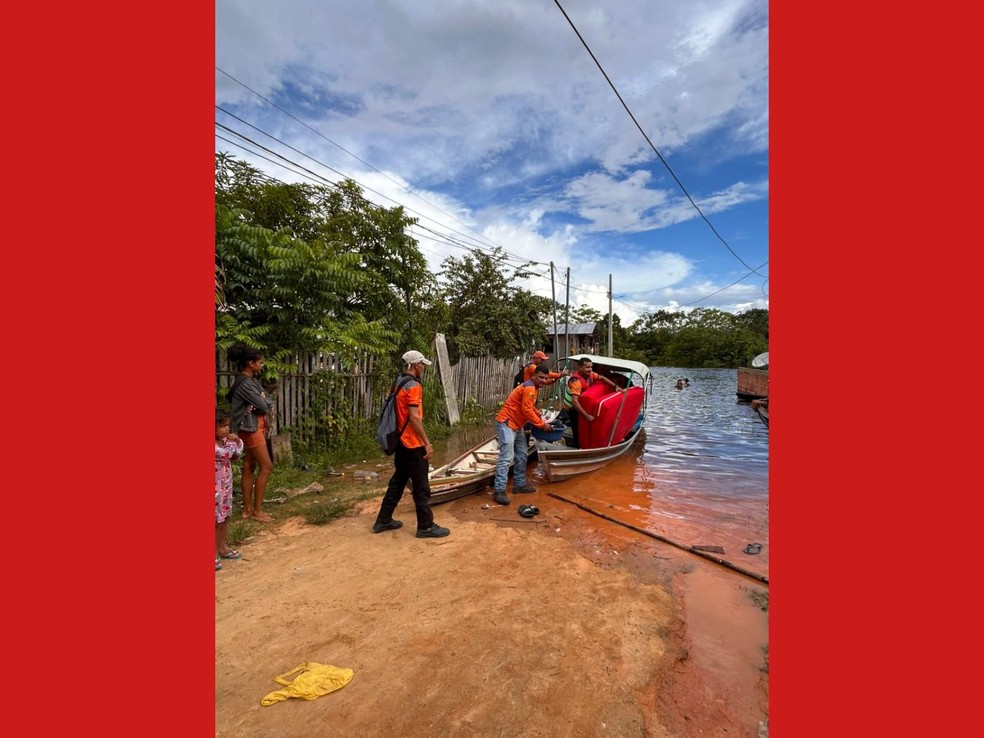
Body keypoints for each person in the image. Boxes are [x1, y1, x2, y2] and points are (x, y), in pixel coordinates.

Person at [372, 350, 450, 538]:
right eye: (422, 364)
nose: (423, 367)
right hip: (413, 444)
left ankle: (383, 520)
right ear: (415, 365)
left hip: (399, 442)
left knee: (398, 481)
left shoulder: (397, 383)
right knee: (421, 486)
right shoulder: (413, 386)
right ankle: (426, 526)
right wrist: (427, 443)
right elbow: (414, 418)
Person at [492, 363, 555, 505]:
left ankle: (519, 485)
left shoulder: (534, 388)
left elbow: (529, 407)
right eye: (541, 377)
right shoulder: (529, 388)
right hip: (507, 423)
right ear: (534, 376)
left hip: (517, 425)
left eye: (546, 378)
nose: (544, 381)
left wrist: (538, 414)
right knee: (506, 458)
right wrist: (541, 424)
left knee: (522, 455)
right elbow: (526, 410)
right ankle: (499, 490)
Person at [227, 345, 275, 522]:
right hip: (251, 429)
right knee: (267, 466)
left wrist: (262, 398)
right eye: (260, 362)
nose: (262, 365)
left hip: (254, 426)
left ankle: (247, 510)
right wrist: (261, 399)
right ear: (250, 363)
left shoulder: (251, 381)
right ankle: (257, 511)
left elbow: (267, 398)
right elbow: (263, 404)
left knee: (249, 466)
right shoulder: (246, 384)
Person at [562, 357, 624, 449]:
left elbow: (602, 377)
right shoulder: (575, 381)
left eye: (591, 367)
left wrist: (615, 386)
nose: (590, 369)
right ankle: (577, 448)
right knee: (577, 429)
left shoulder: (590, 375)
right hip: (571, 408)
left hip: (580, 404)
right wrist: (587, 415)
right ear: (580, 368)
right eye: (587, 367)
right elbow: (574, 402)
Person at [215, 408, 244, 570]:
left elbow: (237, 453)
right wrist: (234, 444)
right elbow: (227, 453)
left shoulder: (226, 442)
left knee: (225, 515)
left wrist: (237, 441)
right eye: (222, 426)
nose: (227, 429)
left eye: (228, 425)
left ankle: (222, 548)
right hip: (215, 486)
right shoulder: (219, 446)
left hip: (225, 484)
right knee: (215, 519)